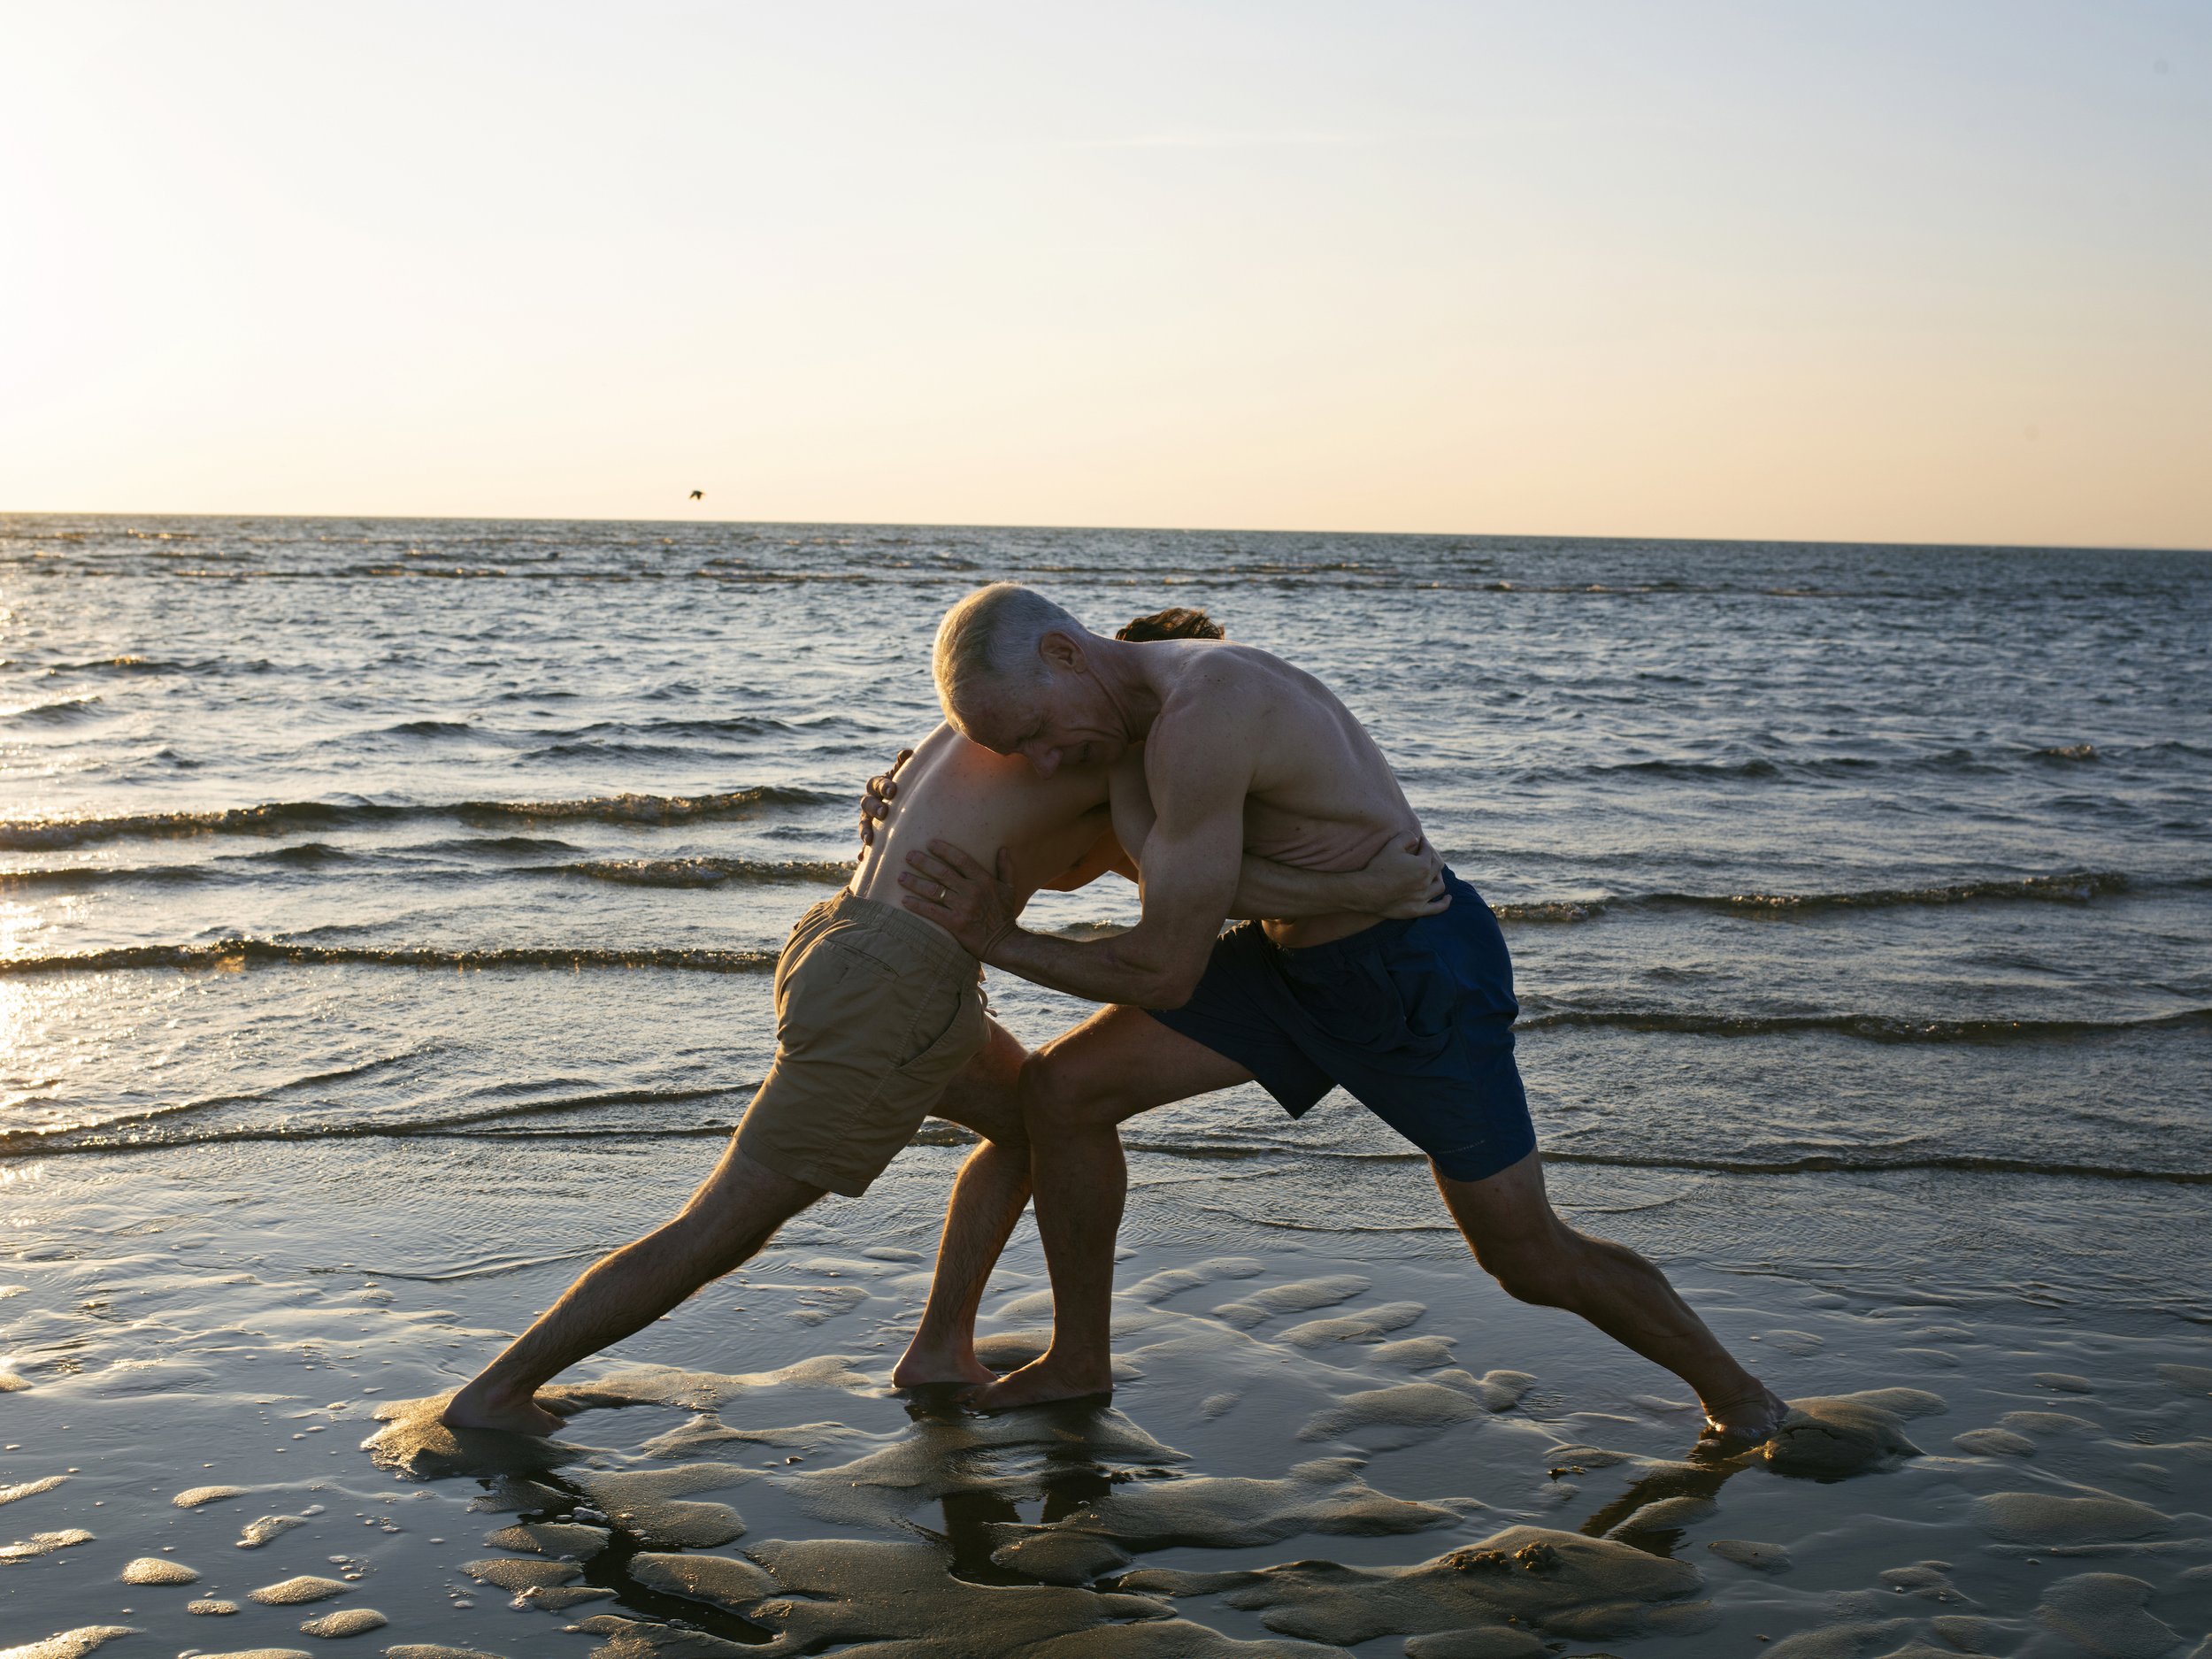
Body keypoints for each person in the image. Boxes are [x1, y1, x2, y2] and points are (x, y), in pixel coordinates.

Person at [439, 608, 1444, 1434]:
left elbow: (1039, 844)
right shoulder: (1131, 739)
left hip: (839, 940)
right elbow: (1177, 882)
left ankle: (937, 1347)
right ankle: (495, 1392)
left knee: (1039, 1120)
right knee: (725, 1221)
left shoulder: (977, 725)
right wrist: (1361, 879)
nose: (1052, 760)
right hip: (895, 983)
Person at [894, 583, 1788, 1452]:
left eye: (1040, 733)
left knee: (1527, 1259)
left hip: (1410, 970)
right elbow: (1158, 876)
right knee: (1063, 1089)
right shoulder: (1125, 734)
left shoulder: (1212, 705)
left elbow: (1163, 968)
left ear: (1066, 654)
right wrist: (904, 811)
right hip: (1286, 966)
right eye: (1024, 749)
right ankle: (1079, 1361)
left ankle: (1742, 1399)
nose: (1045, 761)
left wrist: (994, 938)